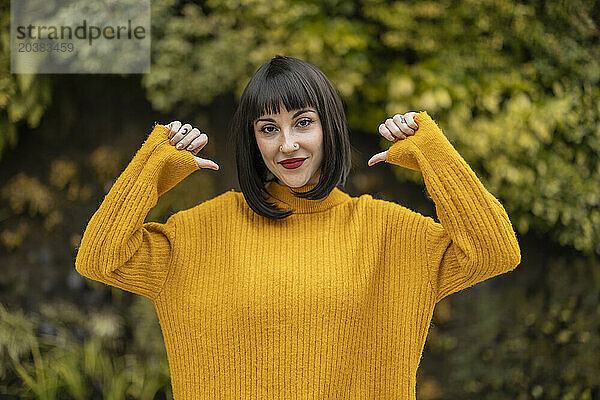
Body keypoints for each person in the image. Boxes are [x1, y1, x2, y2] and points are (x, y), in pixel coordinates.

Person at [75, 55, 521, 399]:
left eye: (303, 122)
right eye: (269, 128)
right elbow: (99, 257)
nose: (287, 144)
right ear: (253, 140)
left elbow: (496, 250)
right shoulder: (200, 232)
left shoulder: (387, 233)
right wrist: (153, 169)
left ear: (329, 126)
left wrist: (434, 157)